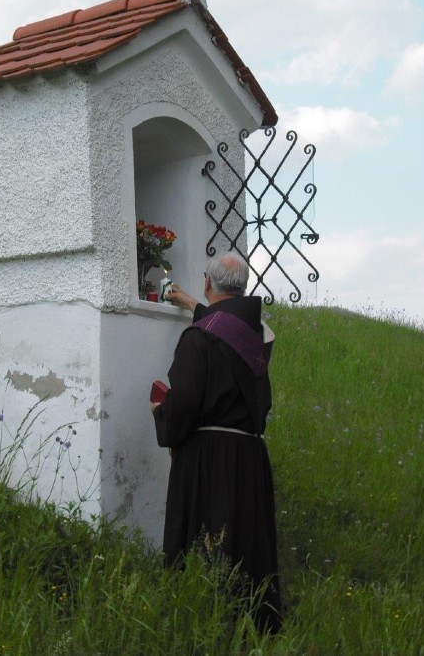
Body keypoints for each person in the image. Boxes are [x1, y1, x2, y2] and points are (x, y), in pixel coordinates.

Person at [150, 251, 282, 633]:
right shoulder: (258, 334)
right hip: (250, 455)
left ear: (209, 283)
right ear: (244, 287)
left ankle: (202, 621)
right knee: (246, 540)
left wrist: (161, 411)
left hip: (209, 459)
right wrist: (192, 303)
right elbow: (226, 334)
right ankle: (253, 623)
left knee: (207, 539)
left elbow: (184, 403)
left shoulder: (200, 338)